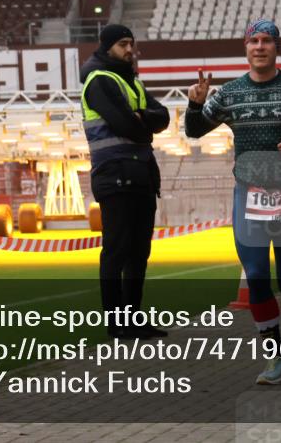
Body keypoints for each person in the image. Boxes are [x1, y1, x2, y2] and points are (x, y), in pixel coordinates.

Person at [184, 19, 281, 385]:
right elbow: (193, 131)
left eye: (267, 40)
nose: (259, 46)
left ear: (276, 47)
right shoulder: (230, 93)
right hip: (248, 192)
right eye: (253, 40)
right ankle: (276, 360)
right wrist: (196, 104)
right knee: (254, 274)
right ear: (245, 47)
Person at [80, 24, 171, 340]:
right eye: (123, 44)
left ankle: (134, 319)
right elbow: (128, 125)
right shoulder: (99, 80)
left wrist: (141, 120)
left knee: (139, 252)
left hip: (142, 174)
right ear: (107, 47)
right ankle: (116, 324)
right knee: (116, 250)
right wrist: (144, 123)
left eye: (132, 43)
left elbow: (164, 117)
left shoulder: (131, 81)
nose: (129, 49)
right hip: (114, 174)